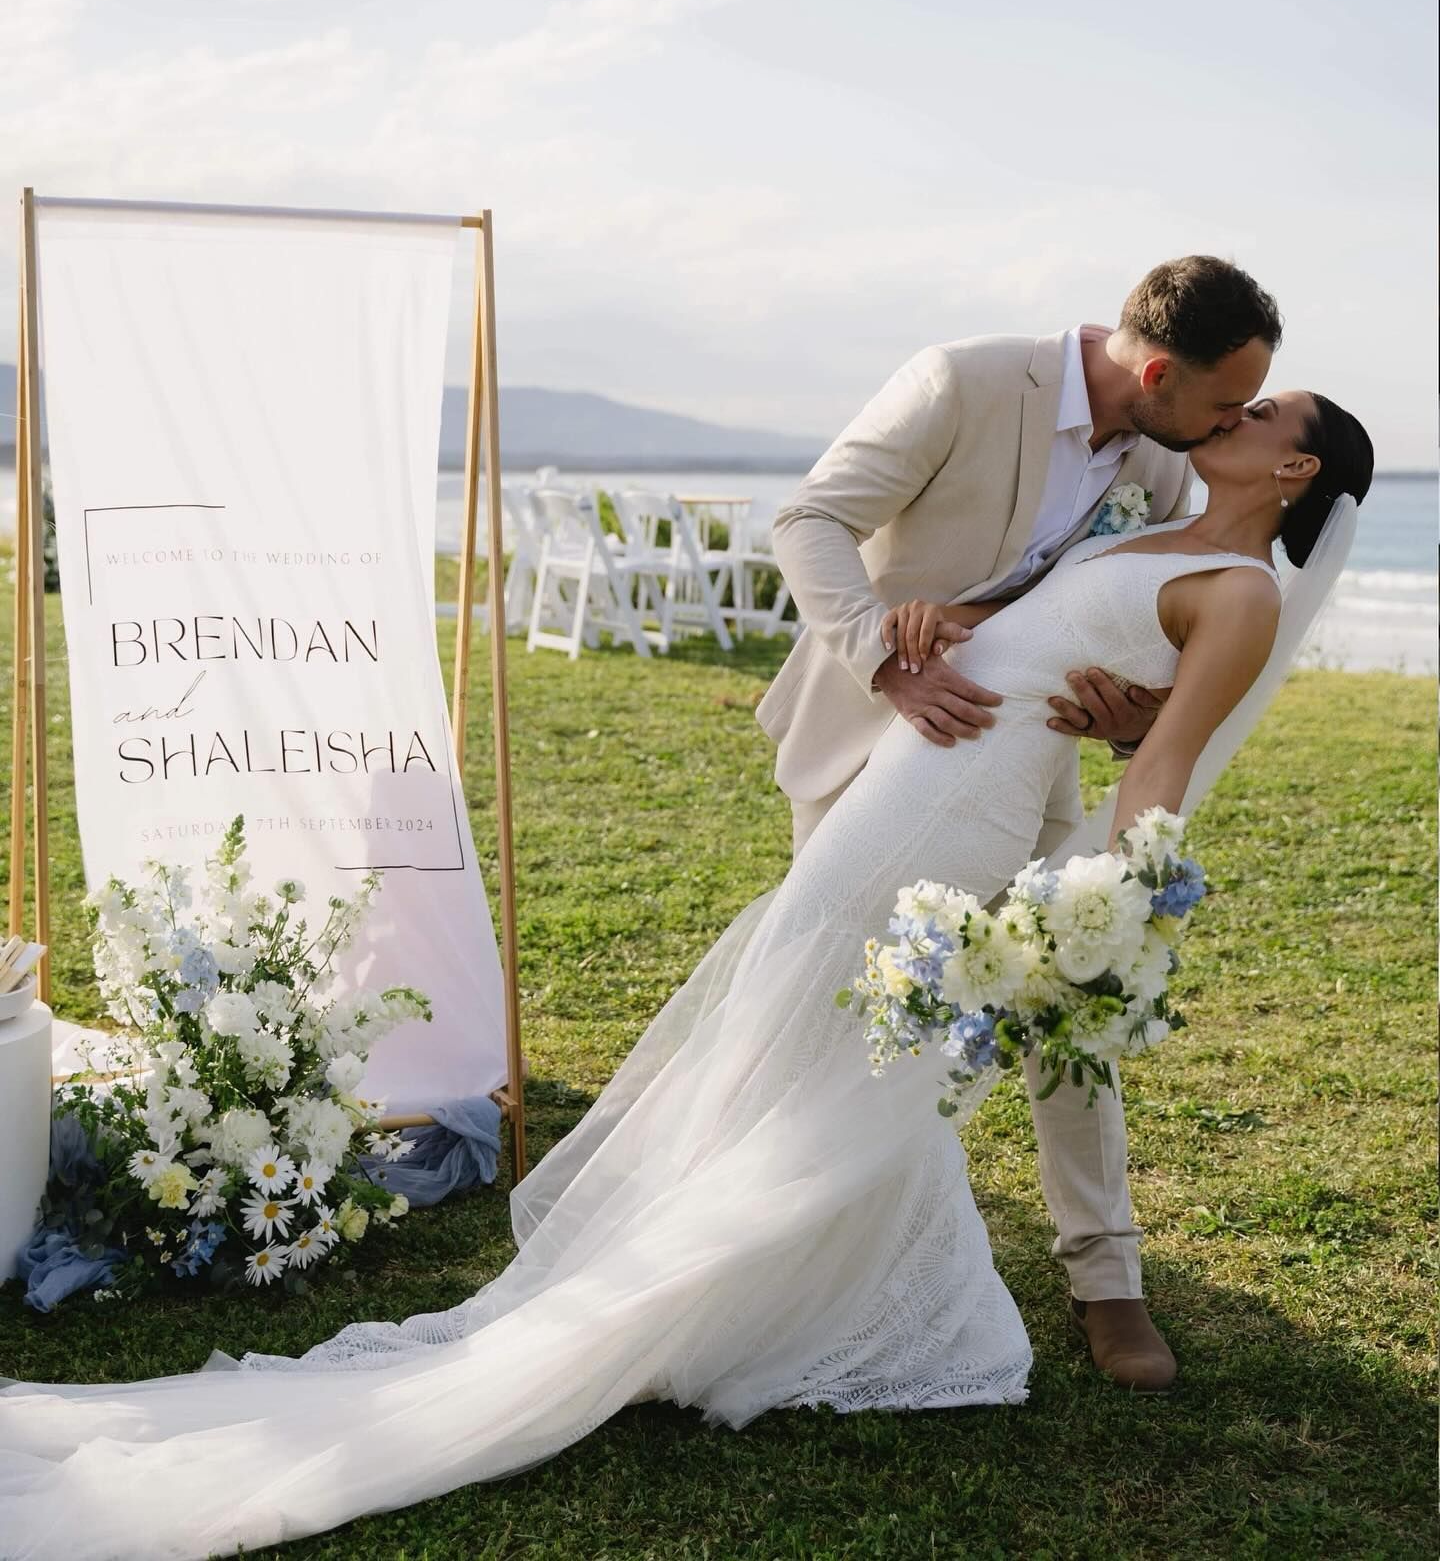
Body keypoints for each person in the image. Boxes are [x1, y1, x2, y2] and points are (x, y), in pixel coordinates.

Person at [0, 385, 1372, 1561]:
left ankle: (781, 1298)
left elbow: (1164, 765)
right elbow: (1051, 634)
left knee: (843, 1045)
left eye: (1259, 413)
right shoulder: (1156, 526)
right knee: (802, 1016)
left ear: (1294, 468)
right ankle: (765, 1288)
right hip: (912, 780)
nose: (1229, 415)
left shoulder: (1239, 591)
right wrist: (957, 623)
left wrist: (1113, 915)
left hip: (963, 820)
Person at [759, 255, 1281, 1388]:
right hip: (878, 753)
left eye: (1251, 409)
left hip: (1029, 776)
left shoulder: (1164, 451)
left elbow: (1126, 605)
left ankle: (1108, 1283)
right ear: (1154, 372)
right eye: (1225, 403)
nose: (1233, 422)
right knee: (830, 1007)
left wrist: (1135, 714)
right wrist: (881, 666)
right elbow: (808, 519)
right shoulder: (961, 382)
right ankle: (786, 1249)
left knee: (1067, 1002)